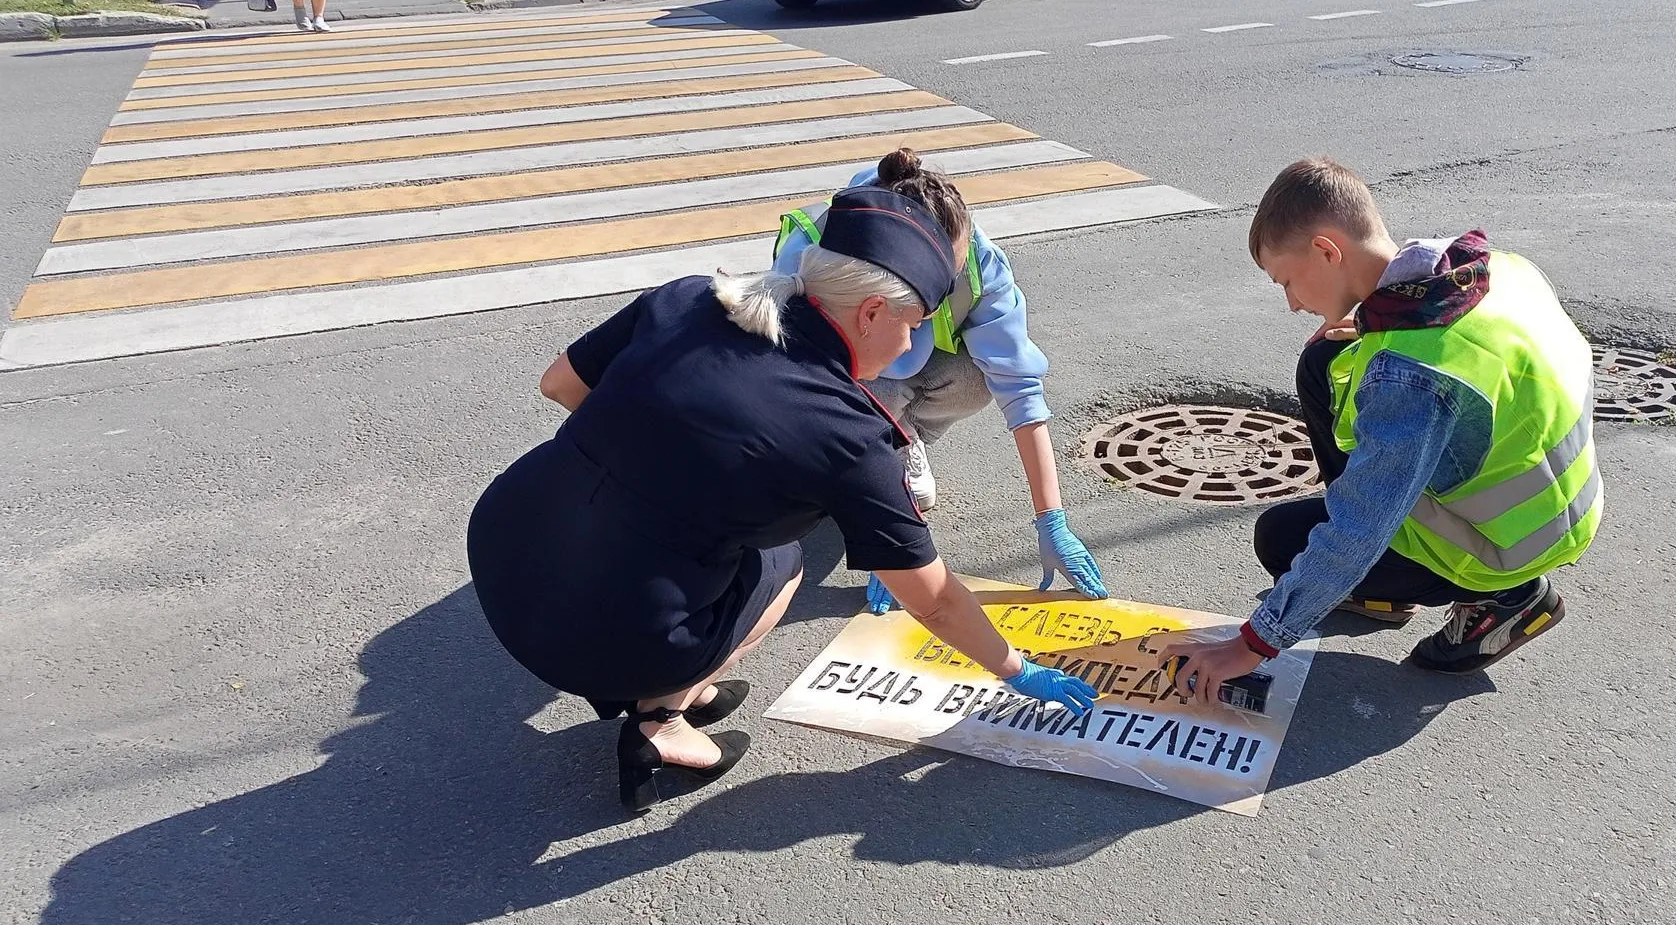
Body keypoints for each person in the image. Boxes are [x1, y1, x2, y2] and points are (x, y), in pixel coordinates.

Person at [466, 169, 1099, 814]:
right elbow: (933, 601)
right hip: (600, 641)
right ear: (873, 311)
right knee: (782, 561)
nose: (912, 344)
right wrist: (1017, 670)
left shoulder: (687, 298)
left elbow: (560, 385)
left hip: (502, 550)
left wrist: (653, 448)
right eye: (913, 325)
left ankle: (677, 679)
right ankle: (662, 713)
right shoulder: (848, 433)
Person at [1169, 157, 1602, 700]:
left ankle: (1506, 602)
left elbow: (1359, 526)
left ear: (1328, 251)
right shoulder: (1499, 269)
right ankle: (1388, 593)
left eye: (1289, 281)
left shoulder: (1413, 377)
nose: (1293, 303)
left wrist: (1255, 642)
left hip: (1501, 550)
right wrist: (1373, 319)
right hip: (1559, 504)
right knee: (1324, 362)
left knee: (1283, 542)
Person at [771, 151, 1107, 616]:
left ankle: (902, 441)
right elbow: (798, 382)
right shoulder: (813, 258)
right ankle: (849, 467)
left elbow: (1019, 386)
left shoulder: (976, 257)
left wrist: (1053, 520)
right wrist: (888, 540)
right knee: (846, 432)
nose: (944, 288)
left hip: (903, 371)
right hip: (837, 379)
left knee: (972, 376)